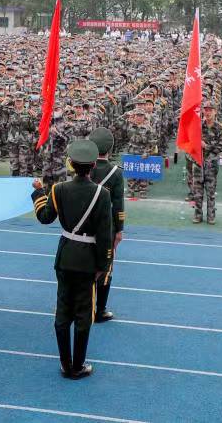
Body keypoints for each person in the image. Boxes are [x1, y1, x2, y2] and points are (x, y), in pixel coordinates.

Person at [31, 139, 113, 380]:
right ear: (92, 166)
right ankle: (78, 365)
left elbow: (45, 217)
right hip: (88, 261)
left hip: (65, 257)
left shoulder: (58, 190)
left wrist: (38, 192)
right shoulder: (102, 194)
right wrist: (103, 265)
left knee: (63, 311)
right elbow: (105, 235)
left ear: (71, 164)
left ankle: (65, 364)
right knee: (84, 314)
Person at [87, 128, 124, 323]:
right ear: (110, 148)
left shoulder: (85, 167)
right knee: (105, 268)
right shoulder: (115, 173)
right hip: (106, 228)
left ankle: (81, 306)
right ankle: (99, 310)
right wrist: (119, 229)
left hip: (85, 225)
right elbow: (118, 204)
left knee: (84, 264)